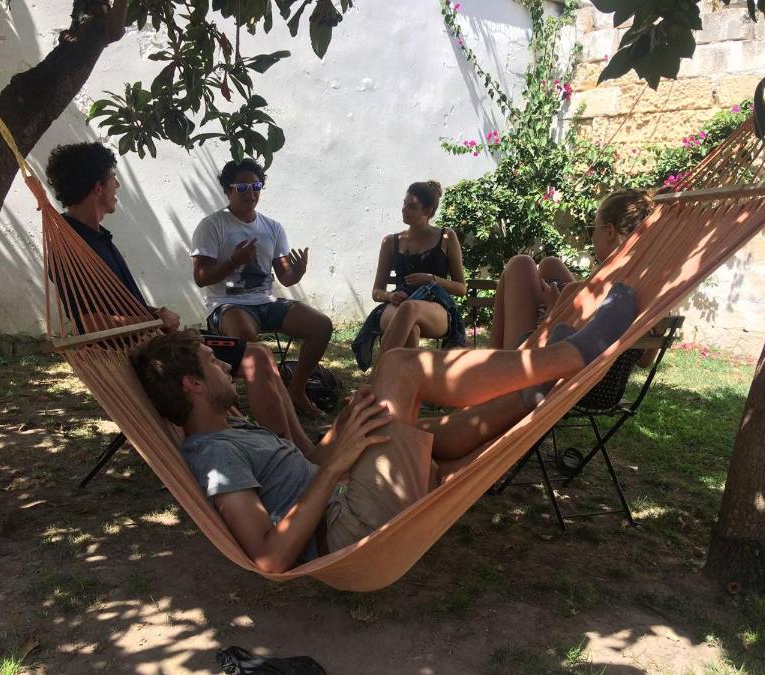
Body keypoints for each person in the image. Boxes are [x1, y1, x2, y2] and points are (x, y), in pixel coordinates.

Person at [131, 282, 638, 573]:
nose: (226, 367)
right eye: (213, 364)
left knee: (413, 424)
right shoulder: (215, 455)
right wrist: (339, 466)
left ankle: (532, 394)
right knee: (397, 366)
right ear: (192, 385)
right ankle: (567, 357)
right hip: (344, 531)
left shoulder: (233, 430)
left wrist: (342, 432)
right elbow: (268, 557)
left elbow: (303, 471)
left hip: (345, 502)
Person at [45, 142, 314, 452]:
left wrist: (154, 312)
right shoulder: (73, 247)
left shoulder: (94, 237)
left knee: (261, 353)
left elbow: (115, 304)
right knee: (255, 358)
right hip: (144, 356)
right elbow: (91, 323)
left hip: (149, 341)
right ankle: (291, 454)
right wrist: (154, 319)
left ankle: (299, 449)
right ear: (97, 187)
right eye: (112, 178)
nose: (117, 185)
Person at [191, 158, 333, 417]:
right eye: (243, 187)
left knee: (321, 325)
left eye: (256, 186)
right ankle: (265, 403)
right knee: (247, 338)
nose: (251, 193)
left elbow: (285, 277)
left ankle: (296, 390)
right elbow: (201, 277)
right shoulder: (212, 225)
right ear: (228, 191)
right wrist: (233, 262)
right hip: (227, 304)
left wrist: (297, 271)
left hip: (266, 302)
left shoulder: (273, 227)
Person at [489, 189, 655, 353]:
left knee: (520, 264)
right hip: (610, 367)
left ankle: (493, 361)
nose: (591, 236)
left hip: (541, 363)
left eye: (592, 228)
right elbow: (645, 361)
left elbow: (549, 344)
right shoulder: (653, 294)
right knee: (550, 264)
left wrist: (553, 307)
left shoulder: (578, 291)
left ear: (610, 232)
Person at [352, 181, 467, 371]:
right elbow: (376, 292)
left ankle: (377, 379)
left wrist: (431, 279)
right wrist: (390, 296)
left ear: (428, 210)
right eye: (404, 203)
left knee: (410, 308)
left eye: (411, 206)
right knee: (410, 328)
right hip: (397, 304)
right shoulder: (390, 242)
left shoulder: (446, 237)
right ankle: (408, 384)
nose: (404, 209)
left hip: (435, 305)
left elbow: (461, 288)